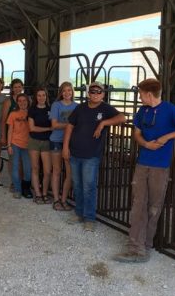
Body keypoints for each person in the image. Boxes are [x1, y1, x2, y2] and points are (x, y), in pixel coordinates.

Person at [113, 78, 175, 263]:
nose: (140, 97)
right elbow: (136, 133)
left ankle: (146, 244)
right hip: (143, 162)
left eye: (141, 94)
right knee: (139, 203)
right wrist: (145, 144)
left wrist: (167, 136)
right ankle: (136, 247)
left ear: (149, 94)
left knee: (154, 206)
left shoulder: (170, 109)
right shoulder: (142, 111)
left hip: (160, 165)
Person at [62, 81, 125, 232]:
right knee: (78, 185)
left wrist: (103, 123)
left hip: (91, 155)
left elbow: (122, 118)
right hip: (75, 152)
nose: (95, 94)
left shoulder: (106, 108)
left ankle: (89, 218)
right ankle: (79, 213)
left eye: (99, 92)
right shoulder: (81, 107)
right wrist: (65, 147)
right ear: (88, 93)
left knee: (89, 186)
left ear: (103, 94)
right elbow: (70, 126)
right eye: (92, 91)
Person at [49, 82, 77, 212]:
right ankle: (56, 199)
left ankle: (64, 199)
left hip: (70, 142)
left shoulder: (76, 106)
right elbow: (54, 125)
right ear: (61, 92)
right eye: (64, 91)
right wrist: (70, 126)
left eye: (69, 91)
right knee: (57, 170)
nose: (67, 93)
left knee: (70, 173)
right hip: (56, 140)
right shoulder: (56, 105)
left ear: (72, 92)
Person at [28, 88, 53, 204]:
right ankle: (37, 194)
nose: (41, 97)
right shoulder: (32, 110)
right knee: (35, 168)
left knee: (47, 170)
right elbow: (32, 128)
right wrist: (48, 128)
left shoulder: (51, 109)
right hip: (34, 141)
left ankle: (44, 193)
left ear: (46, 97)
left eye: (43, 95)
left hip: (47, 142)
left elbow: (55, 123)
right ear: (35, 97)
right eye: (39, 95)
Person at [6, 94, 33, 199]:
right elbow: (10, 130)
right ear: (17, 102)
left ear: (28, 101)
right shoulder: (13, 114)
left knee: (28, 169)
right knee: (15, 168)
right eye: (20, 101)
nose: (22, 103)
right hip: (15, 143)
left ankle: (26, 188)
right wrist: (9, 145)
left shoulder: (31, 113)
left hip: (28, 144)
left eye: (24, 100)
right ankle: (17, 189)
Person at [2, 79, 25, 192]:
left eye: (19, 86)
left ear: (22, 87)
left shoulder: (26, 100)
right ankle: (13, 181)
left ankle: (20, 180)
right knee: (12, 160)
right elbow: (3, 120)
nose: (17, 89)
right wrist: (4, 136)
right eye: (15, 87)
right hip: (12, 134)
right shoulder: (8, 101)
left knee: (22, 160)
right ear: (12, 88)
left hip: (24, 135)